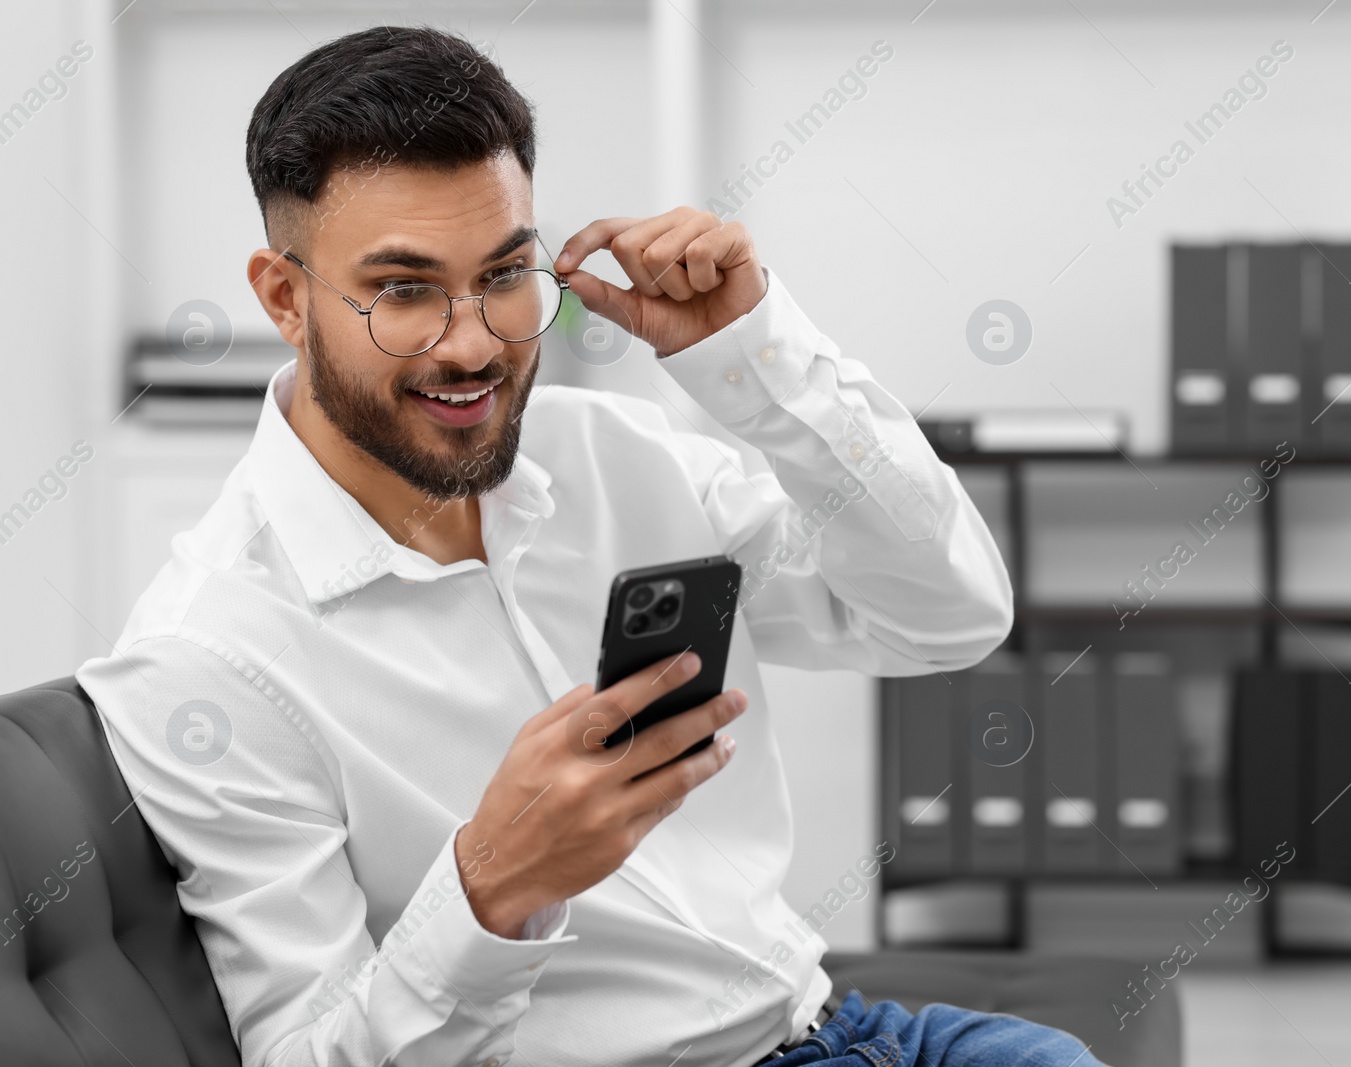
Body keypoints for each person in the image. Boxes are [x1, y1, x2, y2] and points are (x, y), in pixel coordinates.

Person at [78, 25, 1104, 1067]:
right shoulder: (204, 656)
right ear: (286, 298)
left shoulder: (613, 453)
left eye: (505, 273)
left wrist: (757, 358)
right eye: (403, 291)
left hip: (838, 1030)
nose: (474, 342)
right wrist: (492, 887)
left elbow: (949, 614)